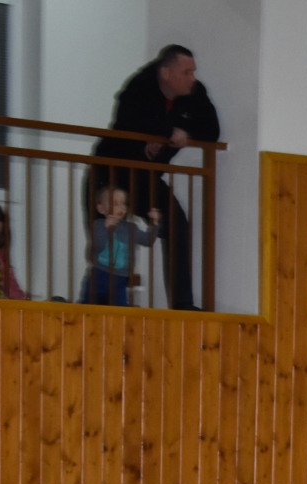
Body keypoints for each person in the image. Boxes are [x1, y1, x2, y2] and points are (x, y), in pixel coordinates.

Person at [90, 44, 220, 311]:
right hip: (110, 172)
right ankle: (103, 303)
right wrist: (166, 132)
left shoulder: (195, 93)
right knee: (105, 235)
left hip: (145, 176)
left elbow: (212, 129)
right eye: (186, 72)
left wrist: (183, 132)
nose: (192, 78)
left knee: (176, 221)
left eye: (193, 72)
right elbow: (128, 118)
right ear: (166, 73)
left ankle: (183, 304)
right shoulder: (140, 86)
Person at [80, 185, 161, 306]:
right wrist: (106, 228)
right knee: (89, 303)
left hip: (120, 278)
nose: (121, 207)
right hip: (99, 273)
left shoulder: (131, 228)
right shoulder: (98, 225)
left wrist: (154, 224)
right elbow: (97, 245)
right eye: (115, 203)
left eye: (123, 203)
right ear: (101, 209)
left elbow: (147, 241)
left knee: (119, 306)